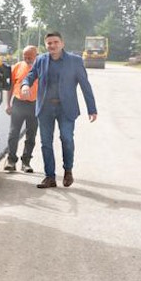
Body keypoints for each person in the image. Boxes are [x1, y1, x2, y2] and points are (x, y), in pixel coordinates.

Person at [20, 31, 98, 188]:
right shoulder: (41, 60)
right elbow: (30, 75)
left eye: (55, 42)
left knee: (67, 139)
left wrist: (92, 108)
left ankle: (68, 170)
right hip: (45, 108)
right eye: (49, 43)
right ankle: (50, 177)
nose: (52, 45)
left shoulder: (75, 61)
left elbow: (85, 85)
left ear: (62, 44)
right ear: (46, 45)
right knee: (46, 143)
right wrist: (25, 85)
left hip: (66, 108)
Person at [4, 45, 39, 173]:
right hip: (18, 104)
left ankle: (26, 163)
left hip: (34, 105)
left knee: (31, 135)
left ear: (36, 56)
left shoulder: (41, 68)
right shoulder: (17, 67)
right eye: (25, 56)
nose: (27, 59)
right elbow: (11, 87)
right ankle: (11, 160)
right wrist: (8, 104)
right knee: (13, 133)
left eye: (30, 57)